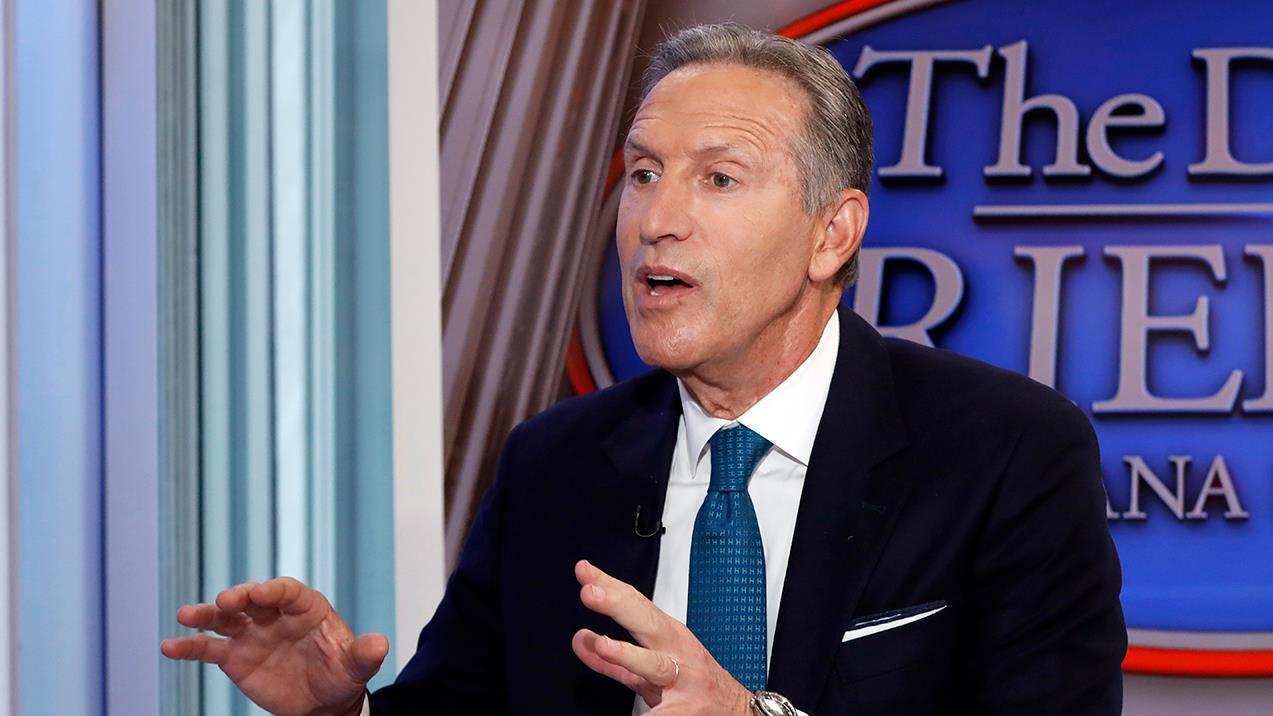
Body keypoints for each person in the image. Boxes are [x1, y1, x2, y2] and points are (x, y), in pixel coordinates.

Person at [162, 23, 1126, 715]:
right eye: (642, 173)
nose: (657, 219)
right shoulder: (554, 460)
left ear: (831, 233)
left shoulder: (1005, 450)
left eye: (718, 178)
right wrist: (344, 713)